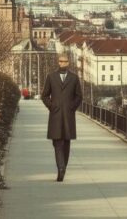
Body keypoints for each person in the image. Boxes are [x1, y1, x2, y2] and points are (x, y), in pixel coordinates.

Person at [41, 54, 82, 182]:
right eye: (60, 61)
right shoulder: (51, 77)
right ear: (58, 63)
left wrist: (72, 107)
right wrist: (51, 106)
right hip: (56, 115)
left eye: (65, 61)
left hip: (68, 115)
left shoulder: (74, 78)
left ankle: (63, 167)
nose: (62, 63)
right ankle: (61, 168)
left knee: (66, 143)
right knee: (57, 142)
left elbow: (79, 96)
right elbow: (45, 95)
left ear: (68, 63)